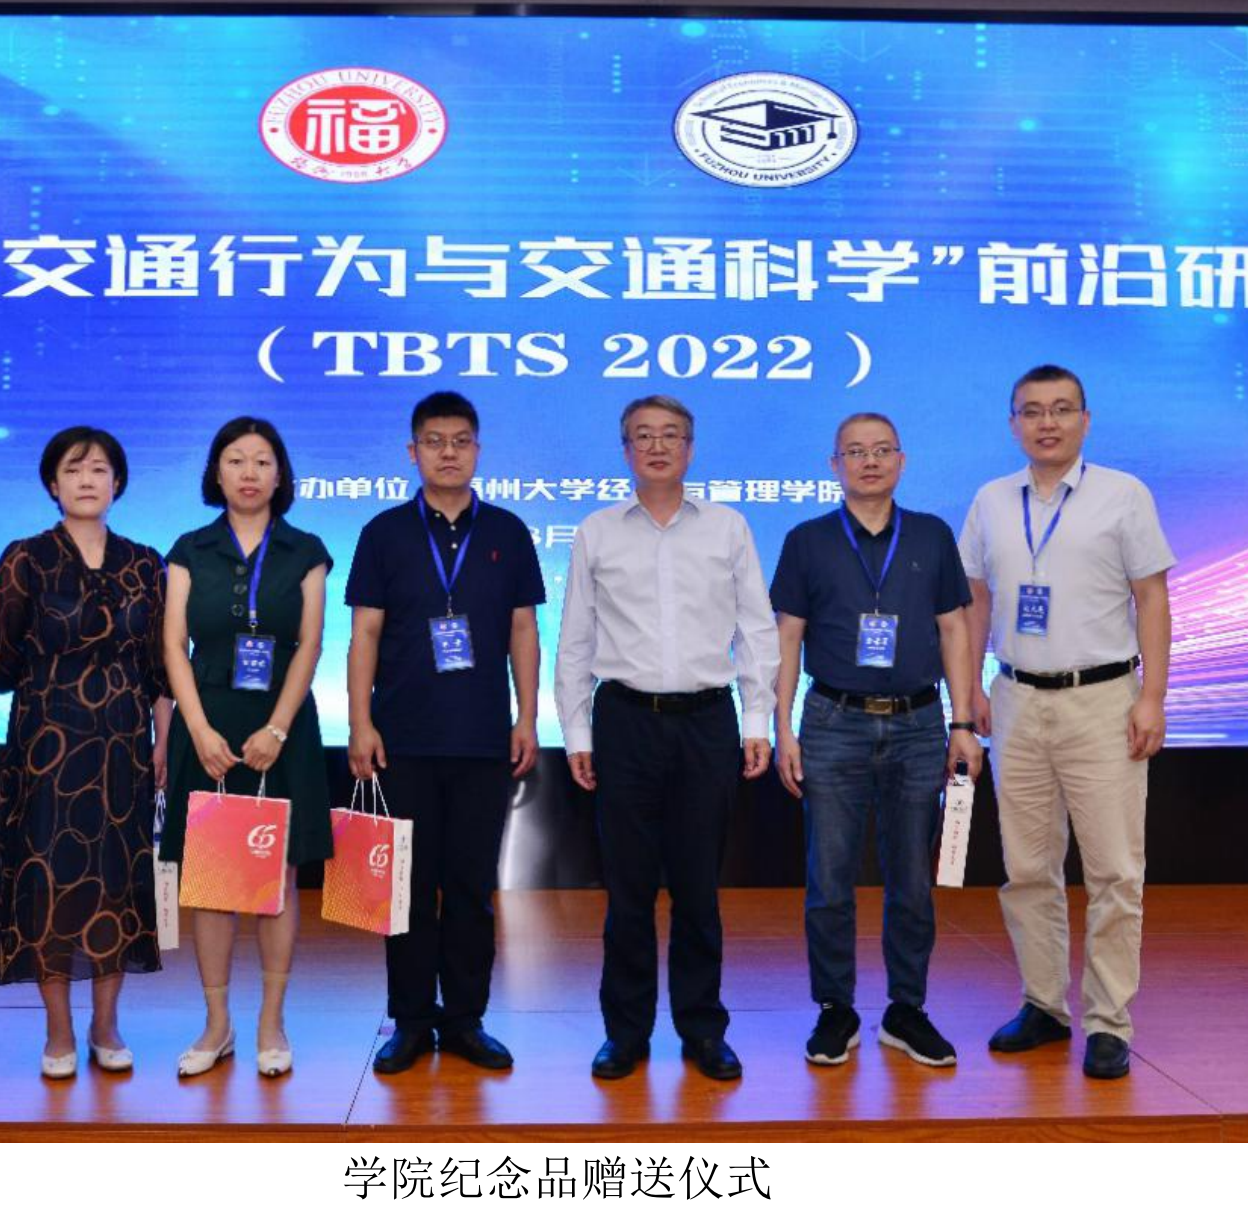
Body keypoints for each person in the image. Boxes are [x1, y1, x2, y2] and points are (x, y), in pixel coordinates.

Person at [959, 363, 1175, 1081]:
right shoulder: (991, 500)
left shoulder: (1123, 494)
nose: (1046, 423)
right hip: (1015, 698)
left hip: (1103, 699)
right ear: (1012, 423)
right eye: (1031, 411)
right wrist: (969, 690)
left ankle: (1109, 1022)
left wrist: (1152, 697)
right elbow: (976, 601)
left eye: (1060, 409)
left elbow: (1152, 598)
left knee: (1113, 870)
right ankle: (1044, 1006)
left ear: (1085, 419)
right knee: (1026, 868)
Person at [555, 394, 779, 1082]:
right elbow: (576, 637)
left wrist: (757, 718)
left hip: (707, 722)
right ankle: (625, 1033)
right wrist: (575, 729)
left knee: (697, 889)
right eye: (643, 436)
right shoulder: (596, 531)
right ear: (625, 450)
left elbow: (757, 628)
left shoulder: (728, 527)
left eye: (671, 435)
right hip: (624, 721)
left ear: (690, 448)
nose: (657, 446)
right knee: (627, 891)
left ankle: (702, 1029)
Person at [770, 412, 981, 1068]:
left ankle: (906, 1009)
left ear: (901, 460)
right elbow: (787, 638)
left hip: (919, 724)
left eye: (882, 450)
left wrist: (963, 722)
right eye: (855, 452)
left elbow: (955, 630)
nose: (869, 461)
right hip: (833, 721)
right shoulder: (807, 540)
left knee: (912, 877)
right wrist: (781, 727)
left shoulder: (931, 535)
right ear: (834, 465)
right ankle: (835, 1009)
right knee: (829, 876)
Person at [345, 391, 545, 1075]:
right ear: (413, 452)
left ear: (478, 450)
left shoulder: (508, 531)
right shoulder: (384, 533)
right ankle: (409, 1020)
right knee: (404, 888)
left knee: (469, 888)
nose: (448, 452)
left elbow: (524, 629)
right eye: (434, 441)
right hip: (402, 738)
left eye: (461, 441)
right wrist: (360, 721)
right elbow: (364, 633)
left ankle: (464, 1019)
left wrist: (527, 716)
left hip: (484, 739)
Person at [0, 426, 169, 1079]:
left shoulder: (146, 564)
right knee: (48, 885)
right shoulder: (25, 560)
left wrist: (164, 741)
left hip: (123, 750)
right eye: (74, 469)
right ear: (52, 484)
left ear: (119, 483)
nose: (88, 479)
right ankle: (57, 1032)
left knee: (116, 885)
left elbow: (162, 669)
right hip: (47, 750)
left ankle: (105, 1026)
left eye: (101, 468)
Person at [161, 416, 333, 1079]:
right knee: (210, 881)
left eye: (262, 460)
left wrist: (278, 729)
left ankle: (271, 1022)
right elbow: (173, 645)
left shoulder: (305, 550)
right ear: (217, 472)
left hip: (280, 728)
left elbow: (310, 644)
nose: (250, 472)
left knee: (277, 877)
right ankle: (217, 1024)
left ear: (280, 473)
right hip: (208, 723)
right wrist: (198, 729)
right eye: (236, 460)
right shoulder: (190, 548)